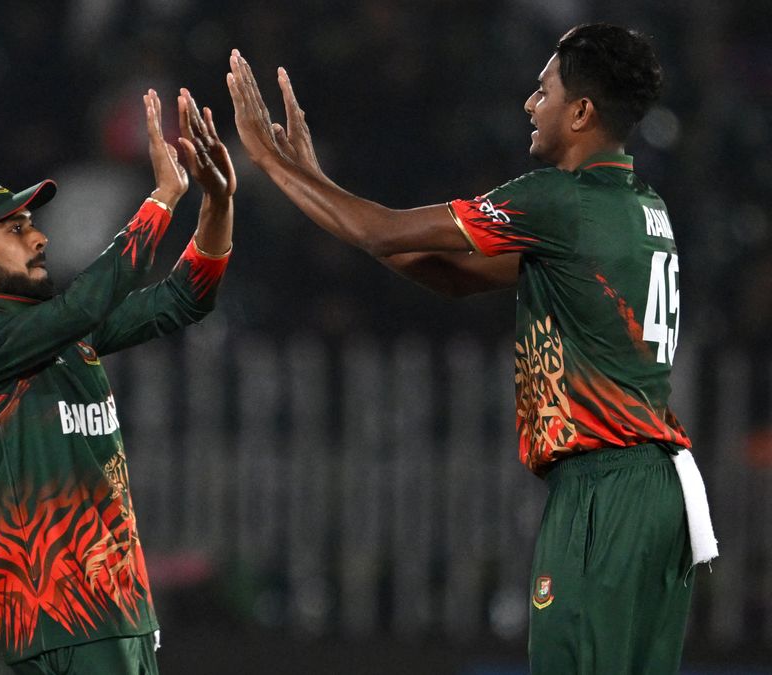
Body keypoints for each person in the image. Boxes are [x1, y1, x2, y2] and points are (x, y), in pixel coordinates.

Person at [226, 23, 717, 673]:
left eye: (543, 91)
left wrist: (278, 165)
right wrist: (321, 188)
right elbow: (454, 277)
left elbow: (383, 232)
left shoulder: (557, 200)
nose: (528, 105)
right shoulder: (642, 208)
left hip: (604, 490)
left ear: (581, 111)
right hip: (663, 491)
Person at [0, 88, 234, 674]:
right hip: (66, 616)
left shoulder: (50, 330)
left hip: (117, 610)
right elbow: (83, 309)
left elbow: (185, 298)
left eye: (30, 224)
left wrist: (217, 201)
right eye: (13, 230)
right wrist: (161, 200)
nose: (38, 238)